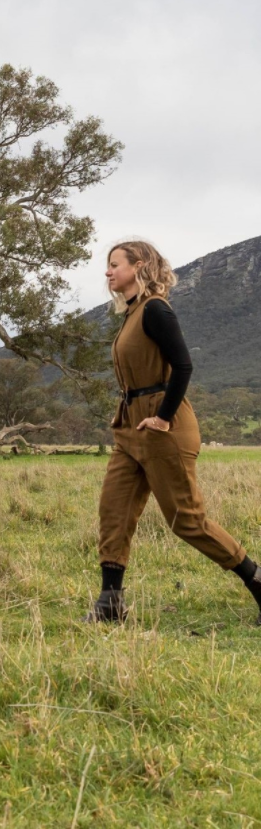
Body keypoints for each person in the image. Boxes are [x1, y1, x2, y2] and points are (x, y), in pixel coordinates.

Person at [86, 240, 261, 624]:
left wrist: (163, 417)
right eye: (108, 265)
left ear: (140, 265)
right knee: (113, 511)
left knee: (186, 520)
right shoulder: (130, 313)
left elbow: (183, 367)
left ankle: (256, 579)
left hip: (164, 426)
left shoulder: (155, 310)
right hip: (131, 427)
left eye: (115, 264)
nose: (108, 272)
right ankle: (110, 605)